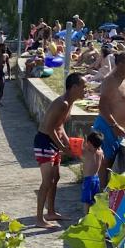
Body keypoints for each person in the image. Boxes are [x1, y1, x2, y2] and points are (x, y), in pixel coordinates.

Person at [34, 72, 87, 229]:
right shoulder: (62, 103)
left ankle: (50, 211)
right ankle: (39, 218)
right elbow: (50, 128)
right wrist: (63, 146)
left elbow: (60, 126)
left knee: (55, 178)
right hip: (44, 142)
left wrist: (67, 142)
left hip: (52, 141)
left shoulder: (69, 103)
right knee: (47, 181)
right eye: (83, 87)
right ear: (74, 87)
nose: (86, 90)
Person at [92, 50, 125, 190]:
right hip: (107, 127)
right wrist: (114, 125)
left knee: (109, 165)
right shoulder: (110, 81)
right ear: (120, 64)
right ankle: (99, 198)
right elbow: (102, 106)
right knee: (104, 165)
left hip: (120, 130)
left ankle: (103, 196)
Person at [80, 130, 105, 206]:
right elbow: (103, 159)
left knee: (87, 201)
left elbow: (78, 151)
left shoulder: (87, 152)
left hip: (88, 180)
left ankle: (86, 216)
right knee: (94, 199)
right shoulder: (101, 152)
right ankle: (93, 215)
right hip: (96, 179)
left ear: (89, 143)